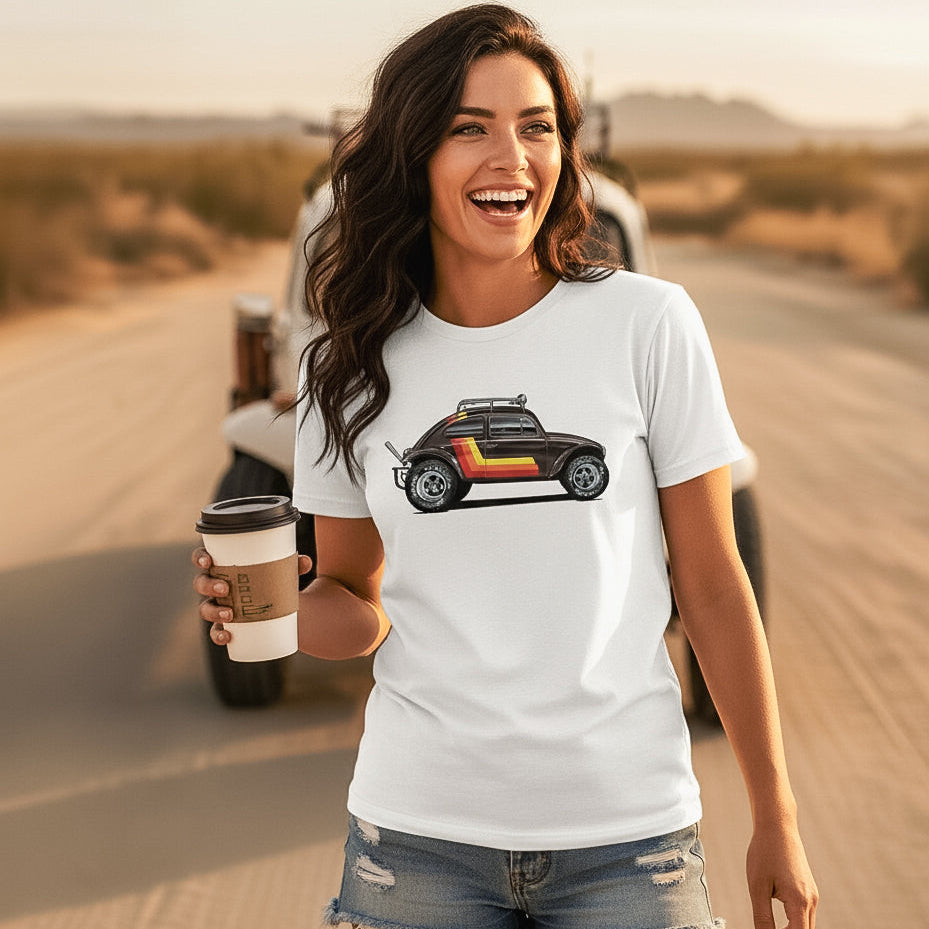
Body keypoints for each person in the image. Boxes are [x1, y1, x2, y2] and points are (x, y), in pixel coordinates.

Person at [193, 5, 818, 928]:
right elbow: (356, 604)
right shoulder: (344, 365)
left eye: (535, 127)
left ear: (564, 150)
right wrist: (267, 611)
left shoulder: (647, 324)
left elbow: (714, 583)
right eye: (468, 128)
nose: (510, 158)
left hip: (630, 838)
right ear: (413, 154)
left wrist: (776, 817)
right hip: (416, 840)